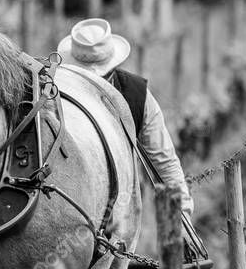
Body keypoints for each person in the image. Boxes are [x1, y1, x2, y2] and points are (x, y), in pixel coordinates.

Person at [57, 18, 193, 215]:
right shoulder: (56, 93)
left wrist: (183, 211)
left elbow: (163, 160)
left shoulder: (137, 96)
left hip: (118, 208)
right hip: (66, 204)